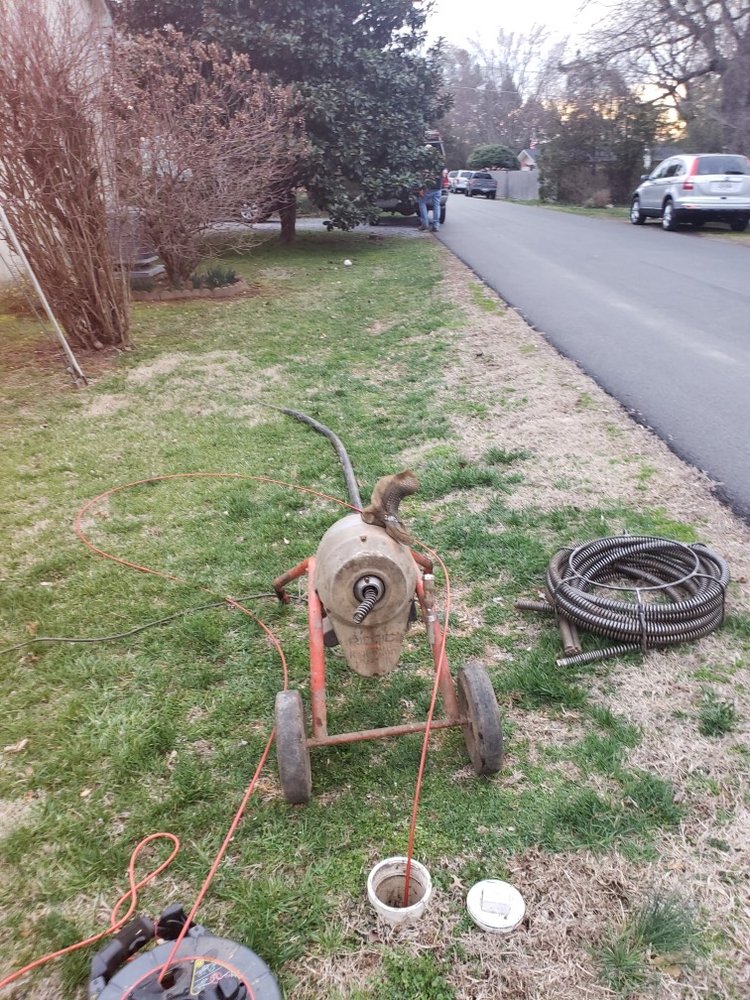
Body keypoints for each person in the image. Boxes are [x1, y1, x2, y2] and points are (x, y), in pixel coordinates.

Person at [417, 166, 443, 233]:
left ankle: (425, 224)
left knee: (422, 202)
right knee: (436, 206)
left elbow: (424, 176)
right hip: (438, 187)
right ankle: (436, 226)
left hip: (429, 188)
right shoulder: (440, 164)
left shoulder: (428, 163)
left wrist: (421, 189)